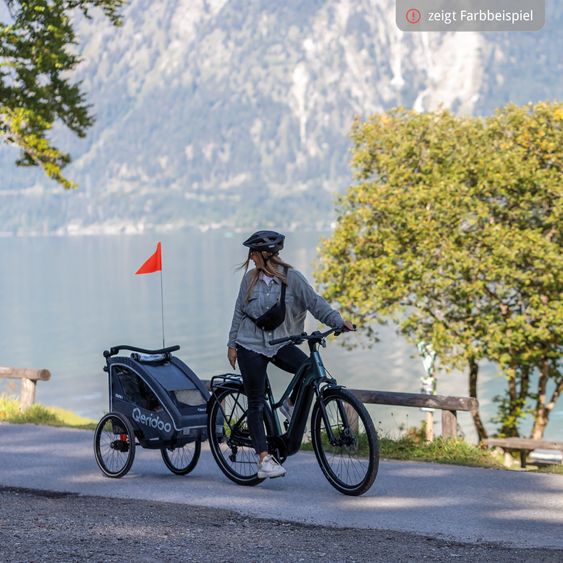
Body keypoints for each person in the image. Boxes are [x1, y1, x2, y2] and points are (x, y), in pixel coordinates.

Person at [227, 230, 355, 479]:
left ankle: (290, 403)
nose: (251, 258)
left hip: (281, 342)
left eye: (253, 253)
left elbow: (315, 303)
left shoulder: (292, 278)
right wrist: (232, 344)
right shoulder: (249, 279)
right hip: (250, 344)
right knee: (256, 401)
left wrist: (339, 322)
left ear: (264, 254)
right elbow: (239, 312)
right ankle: (264, 459)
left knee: (308, 368)